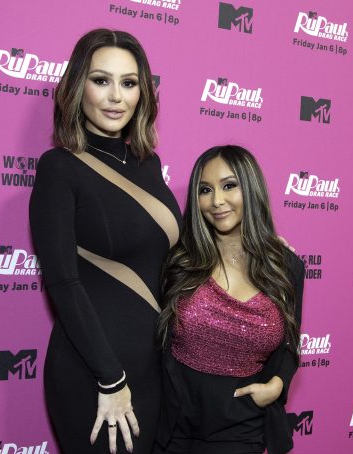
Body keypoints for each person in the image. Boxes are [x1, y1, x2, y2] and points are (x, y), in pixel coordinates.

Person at [29, 29, 181, 454]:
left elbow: (179, 261)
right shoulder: (59, 168)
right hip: (95, 374)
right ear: (78, 87)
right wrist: (109, 377)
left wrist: (251, 245)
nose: (116, 96)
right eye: (101, 80)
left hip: (154, 368)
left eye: (129, 83)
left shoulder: (149, 165)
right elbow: (62, 282)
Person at [154, 145, 305, 454]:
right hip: (172, 424)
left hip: (241, 426)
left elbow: (290, 342)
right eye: (205, 190)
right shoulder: (179, 261)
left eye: (229, 186)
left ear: (250, 188)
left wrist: (277, 384)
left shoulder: (286, 267)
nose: (217, 201)